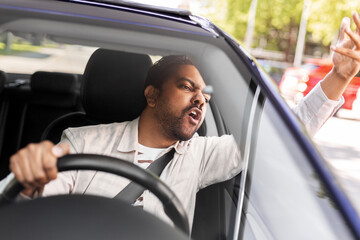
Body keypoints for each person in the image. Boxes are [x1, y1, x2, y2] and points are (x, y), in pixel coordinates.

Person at [1, 13, 360, 229]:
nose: (200, 98)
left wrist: (339, 77)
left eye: (204, 93)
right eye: (187, 86)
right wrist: (31, 181)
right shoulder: (81, 142)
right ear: (152, 94)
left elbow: (282, 135)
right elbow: (31, 205)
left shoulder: (202, 155)